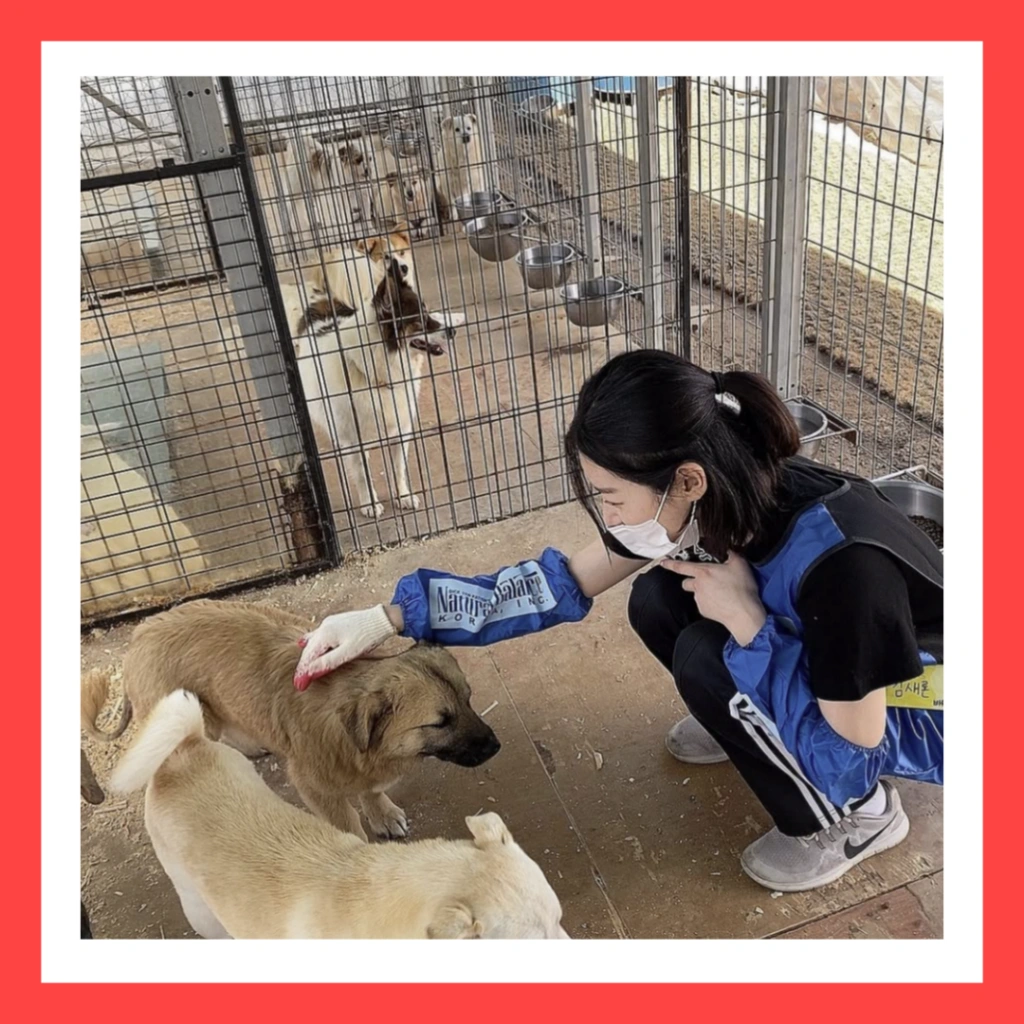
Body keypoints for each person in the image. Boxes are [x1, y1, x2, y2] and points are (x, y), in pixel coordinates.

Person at [294, 351, 943, 893]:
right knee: (658, 597)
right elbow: (553, 586)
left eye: (611, 497)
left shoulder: (844, 571)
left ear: (685, 481)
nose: (607, 519)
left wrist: (748, 623)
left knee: (710, 657)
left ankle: (857, 821)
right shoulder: (720, 491)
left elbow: (853, 753)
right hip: (840, 668)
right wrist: (389, 616)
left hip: (922, 706)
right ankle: (748, 718)